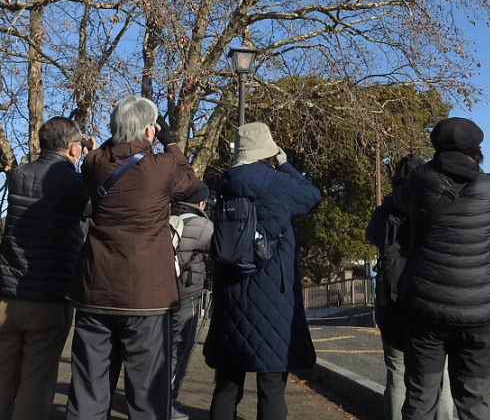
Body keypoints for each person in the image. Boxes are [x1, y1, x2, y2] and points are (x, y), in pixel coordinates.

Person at [65, 96, 198, 420]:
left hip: (95, 288)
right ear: (149, 130)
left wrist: (122, 132)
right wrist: (171, 143)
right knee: (147, 396)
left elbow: (106, 153)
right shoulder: (162, 166)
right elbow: (191, 185)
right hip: (146, 293)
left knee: (88, 392)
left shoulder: (94, 162)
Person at [0, 117, 93, 420]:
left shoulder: (20, 175)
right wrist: (91, 163)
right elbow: (94, 207)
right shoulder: (74, 183)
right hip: (49, 297)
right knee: (36, 379)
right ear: (73, 147)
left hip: (9, 293)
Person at [393, 118, 490, 420]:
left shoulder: (421, 179)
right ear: (478, 150)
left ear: (436, 148)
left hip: (425, 309)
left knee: (420, 399)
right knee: (474, 404)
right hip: (478, 312)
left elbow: (400, 203)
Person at [204, 122, 321, 420]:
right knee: (271, 383)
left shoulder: (225, 183)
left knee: (228, 381)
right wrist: (285, 164)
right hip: (272, 293)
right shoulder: (276, 181)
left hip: (231, 289)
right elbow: (312, 197)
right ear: (267, 150)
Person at [366, 155, 454, 420]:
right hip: (433, 300)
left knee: (397, 375)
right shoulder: (439, 205)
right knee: (440, 376)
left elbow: (373, 238)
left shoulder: (386, 209)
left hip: (394, 303)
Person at [168, 182, 213, 420]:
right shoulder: (204, 225)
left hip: (155, 294)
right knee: (180, 347)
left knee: (156, 348)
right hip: (187, 294)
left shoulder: (160, 217)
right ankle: (167, 402)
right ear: (201, 203)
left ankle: (149, 398)